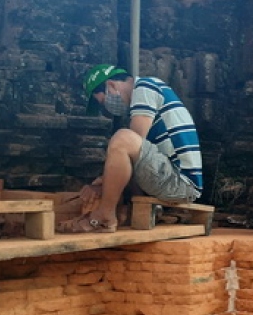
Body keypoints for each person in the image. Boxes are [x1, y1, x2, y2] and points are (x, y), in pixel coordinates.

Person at [57, 64, 203, 233]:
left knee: (123, 138)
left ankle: (104, 216)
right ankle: (133, 212)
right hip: (172, 178)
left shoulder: (145, 87)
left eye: (102, 102)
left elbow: (133, 141)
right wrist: (104, 181)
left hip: (181, 182)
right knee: (122, 160)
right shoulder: (146, 96)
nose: (106, 108)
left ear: (111, 85)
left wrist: (102, 183)